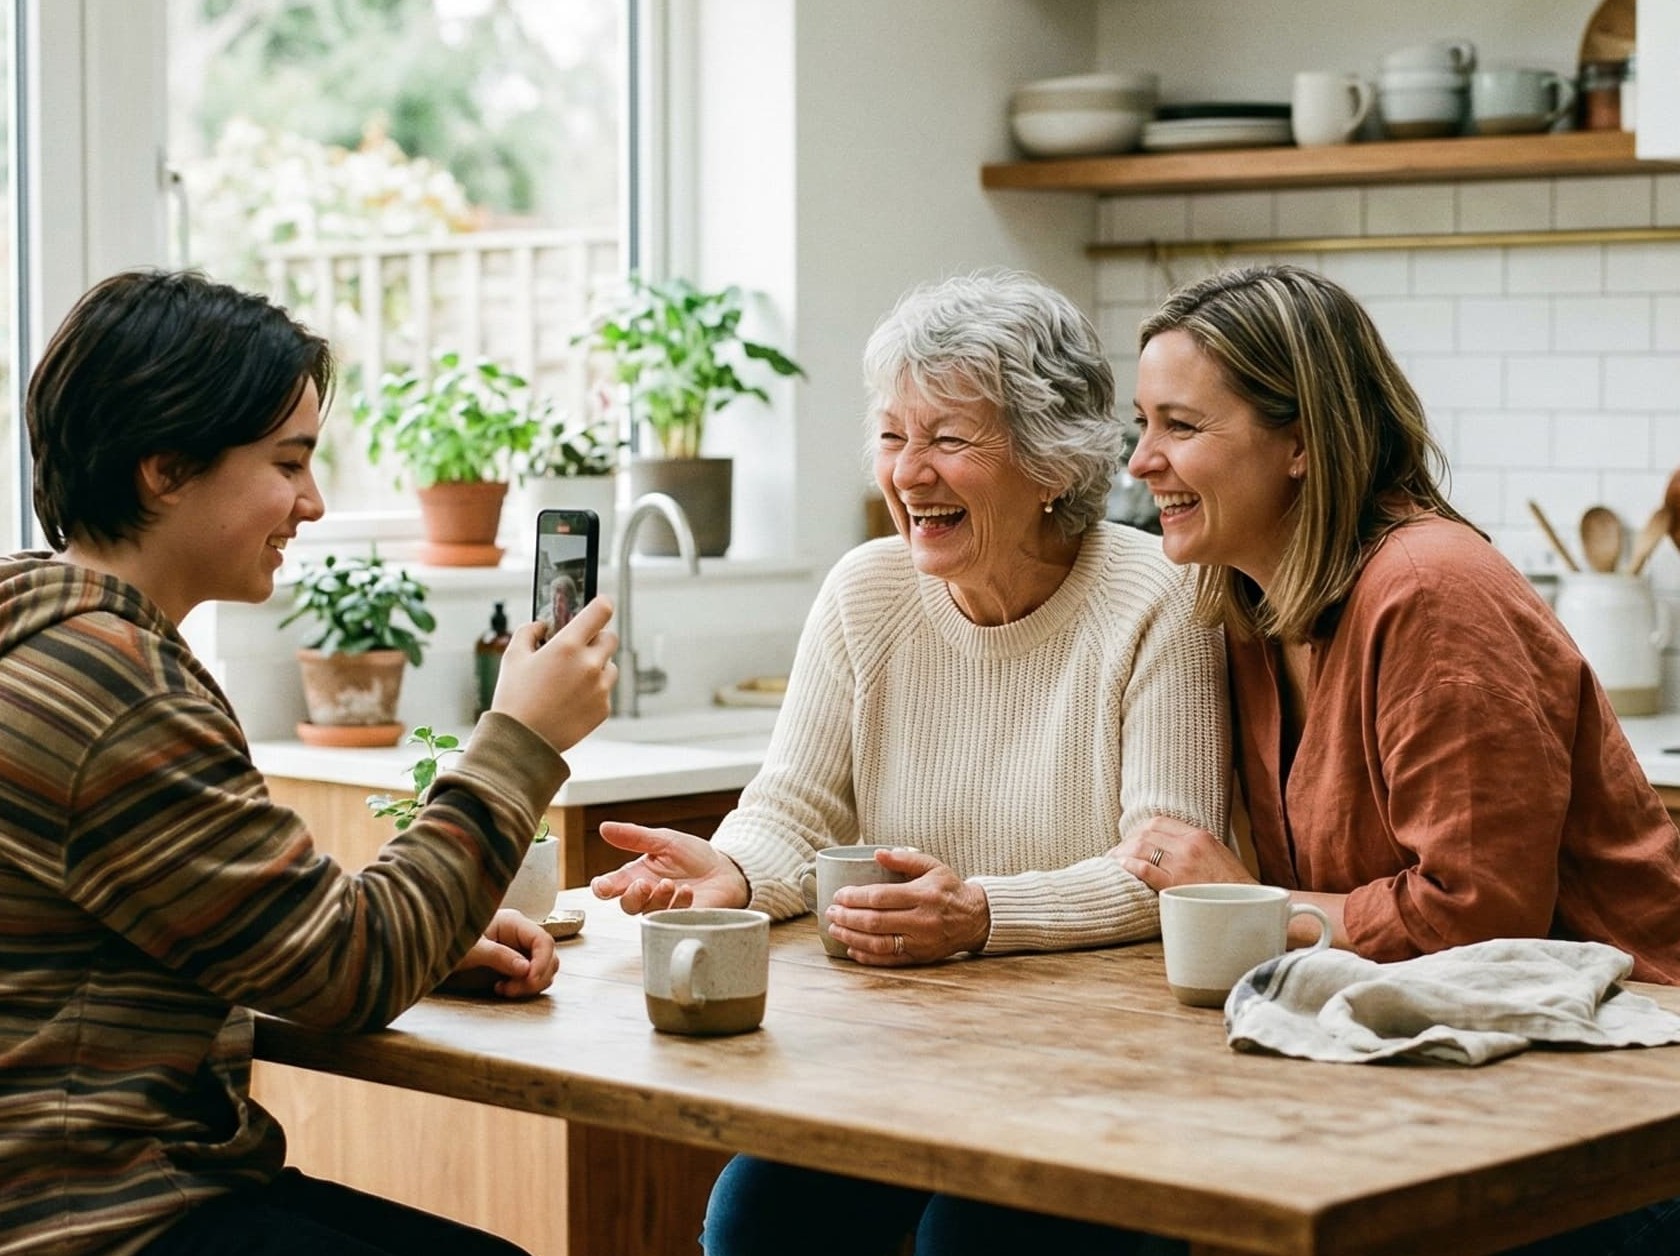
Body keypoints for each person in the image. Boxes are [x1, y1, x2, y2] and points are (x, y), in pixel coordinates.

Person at [591, 270, 1230, 1255]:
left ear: (1051, 462)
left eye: (949, 439)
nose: (909, 471)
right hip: (899, 1050)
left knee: (970, 1242)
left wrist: (979, 914)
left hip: (1096, 1063)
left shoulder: (1158, 593)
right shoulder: (867, 588)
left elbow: (1166, 869)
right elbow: (793, 807)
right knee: (756, 1218)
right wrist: (738, 871)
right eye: (893, 436)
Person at [0, 269, 619, 1256]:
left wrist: (429, 935)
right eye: (290, 462)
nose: (316, 501)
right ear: (164, 466)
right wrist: (523, 737)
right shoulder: (113, 691)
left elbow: (203, 930)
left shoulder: (44, 639)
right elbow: (353, 969)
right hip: (95, 1215)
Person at [1118, 262, 1680, 1255]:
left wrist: (1256, 905)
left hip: (1616, 1095)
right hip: (1440, 1060)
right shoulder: (1247, 604)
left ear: (1301, 441)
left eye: (1180, 425)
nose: (1140, 462)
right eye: (1141, 425)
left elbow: (1478, 913)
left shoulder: (1431, 590)